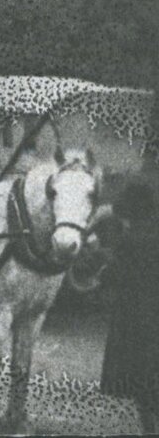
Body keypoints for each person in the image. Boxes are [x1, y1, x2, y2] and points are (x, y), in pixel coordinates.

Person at [101, 177, 159, 433]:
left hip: (135, 316)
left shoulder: (130, 238)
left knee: (141, 378)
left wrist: (100, 263)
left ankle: (149, 429)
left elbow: (114, 275)